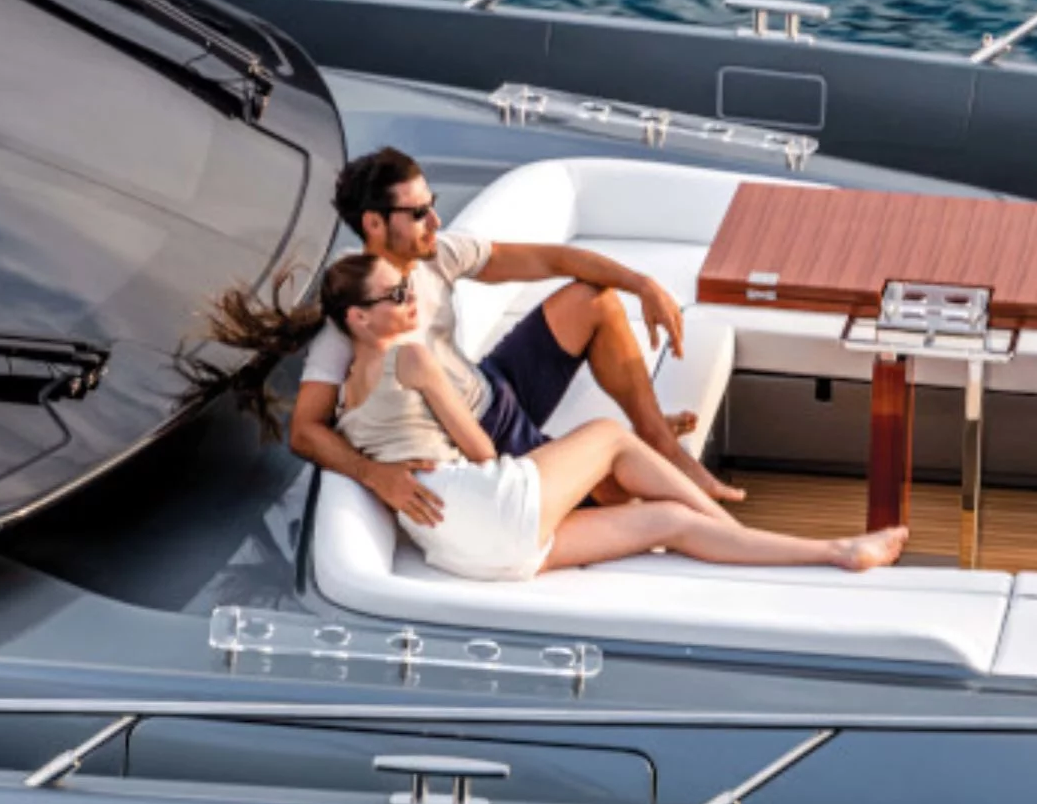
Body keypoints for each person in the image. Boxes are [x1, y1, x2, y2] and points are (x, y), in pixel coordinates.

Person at [273, 254, 907, 581]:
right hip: (484, 504)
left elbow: (313, 438)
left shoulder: (341, 402)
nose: (412, 298)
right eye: (397, 295)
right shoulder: (413, 358)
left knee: (666, 521)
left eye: (408, 287)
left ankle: (836, 551)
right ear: (358, 318)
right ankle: (740, 527)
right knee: (607, 436)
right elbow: (484, 453)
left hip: (466, 555)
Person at [283, 144, 745, 534]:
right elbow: (305, 430)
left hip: (491, 384)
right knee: (615, 489)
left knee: (593, 301)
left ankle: (657, 439)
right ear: (374, 224)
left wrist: (642, 284)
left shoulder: (436, 254)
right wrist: (373, 475)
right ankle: (629, 451)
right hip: (475, 438)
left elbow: (552, 261)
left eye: (432, 203)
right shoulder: (355, 311)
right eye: (419, 213)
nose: (436, 221)